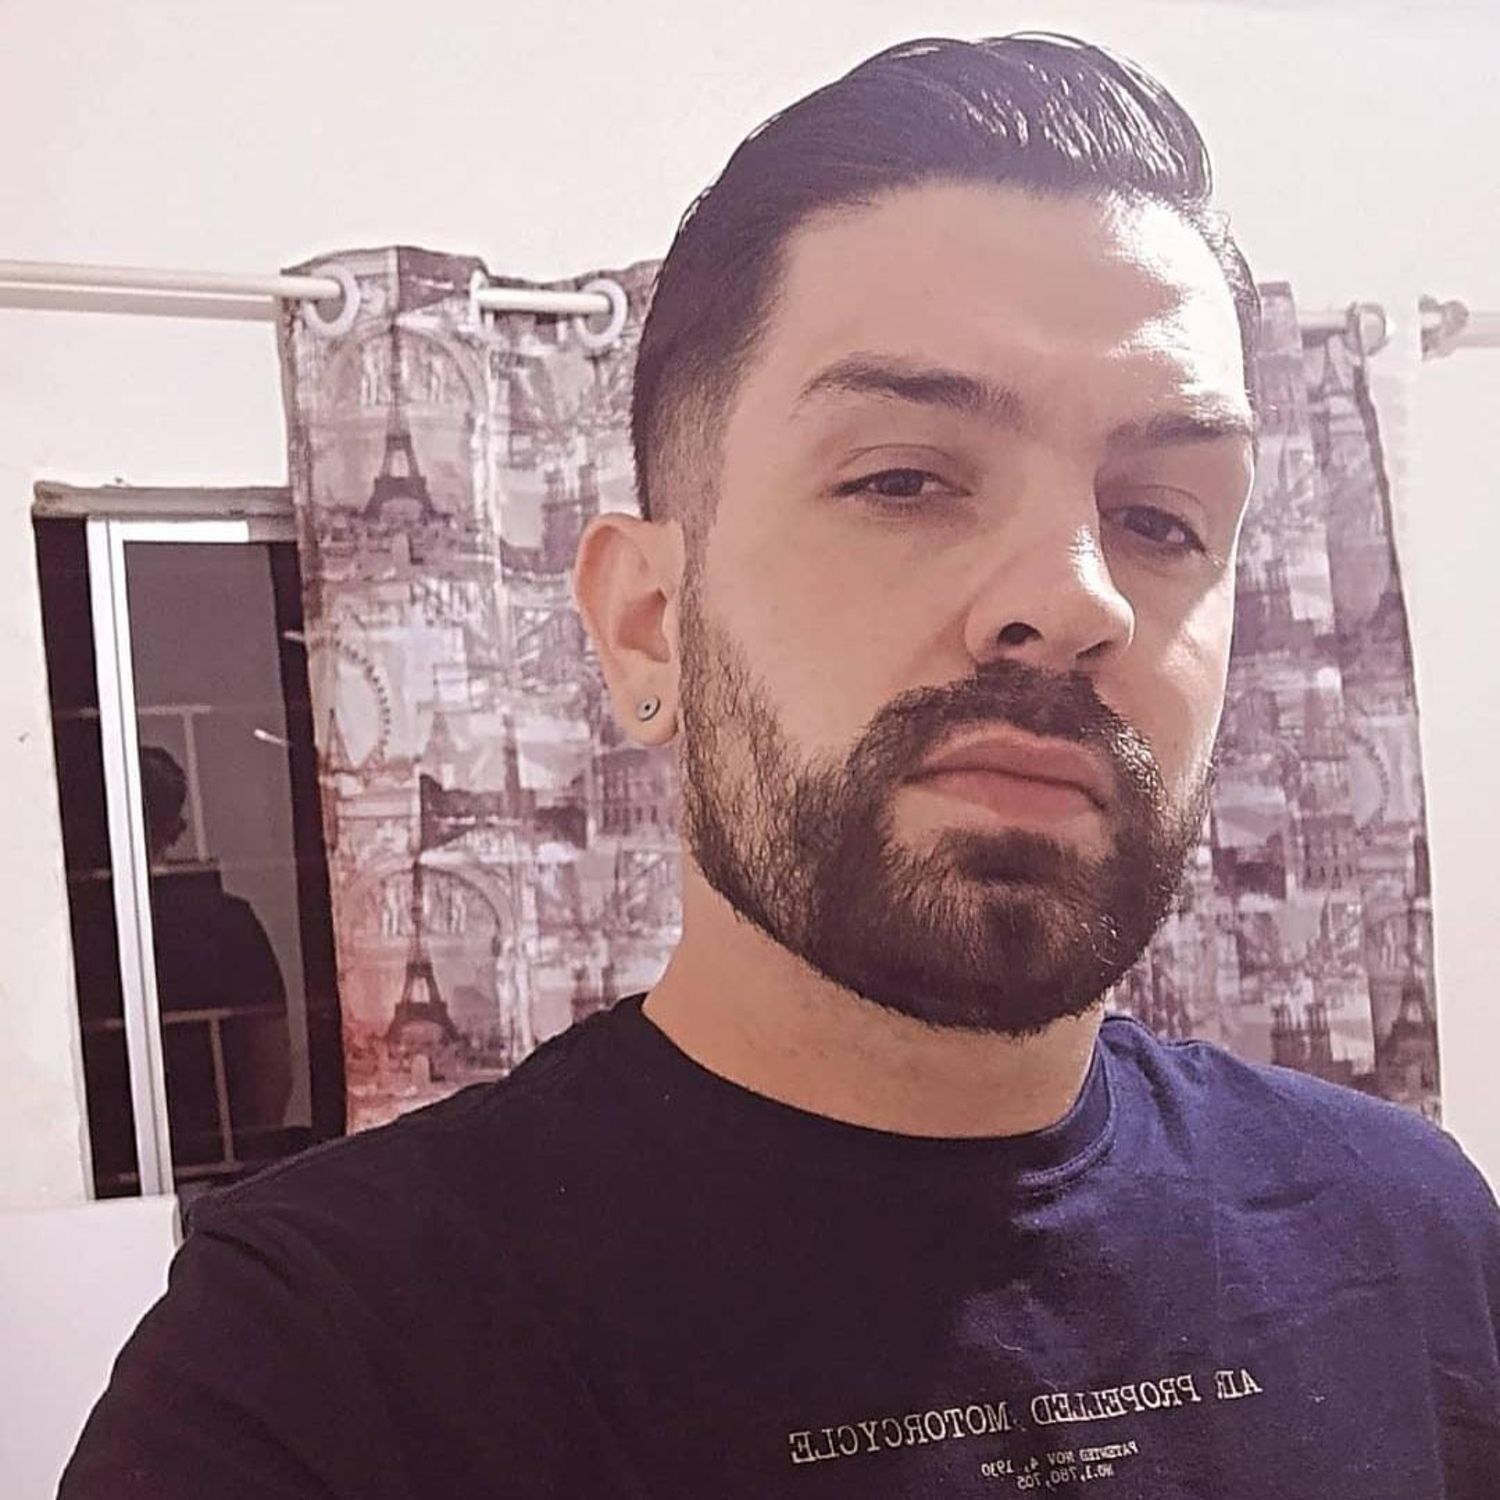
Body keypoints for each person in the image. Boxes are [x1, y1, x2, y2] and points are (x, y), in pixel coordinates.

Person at [60, 34, 1498, 1498]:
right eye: (903, 480)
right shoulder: (307, 1368)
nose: (1077, 600)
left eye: (1161, 519)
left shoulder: (1415, 1234)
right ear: (648, 624)